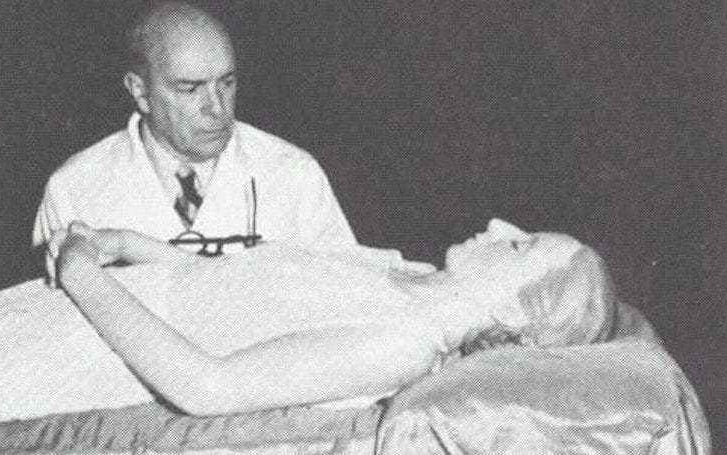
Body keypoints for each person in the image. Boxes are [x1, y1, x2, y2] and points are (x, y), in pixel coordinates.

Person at [52, 218, 616, 416]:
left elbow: (206, 388)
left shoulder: (402, 343)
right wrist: (124, 244)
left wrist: (81, 272)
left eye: (519, 245)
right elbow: (233, 291)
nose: (497, 226)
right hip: (96, 308)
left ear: (513, 310)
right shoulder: (405, 271)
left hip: (85, 356)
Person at [32, 1, 355, 275]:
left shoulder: (295, 174)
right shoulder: (75, 188)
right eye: (190, 89)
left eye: (226, 83)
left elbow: (349, 295)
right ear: (140, 92)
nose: (217, 108)